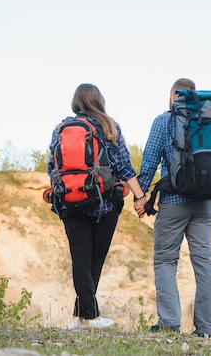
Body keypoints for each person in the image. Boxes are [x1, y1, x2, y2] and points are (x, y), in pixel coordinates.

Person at [47, 83, 146, 329]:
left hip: (69, 202)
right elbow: (124, 167)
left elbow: (52, 167)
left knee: (80, 259)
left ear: (76, 102)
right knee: (93, 262)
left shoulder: (61, 129)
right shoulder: (109, 126)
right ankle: (92, 317)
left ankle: (79, 317)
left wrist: (68, 189)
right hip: (105, 205)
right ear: (99, 101)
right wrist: (139, 197)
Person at [134, 78, 211, 337]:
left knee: (165, 260)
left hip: (173, 202)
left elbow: (149, 159)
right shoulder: (208, 119)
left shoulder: (164, 120)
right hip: (205, 202)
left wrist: (141, 196)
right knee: (204, 261)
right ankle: (205, 328)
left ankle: (169, 322)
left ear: (174, 95)